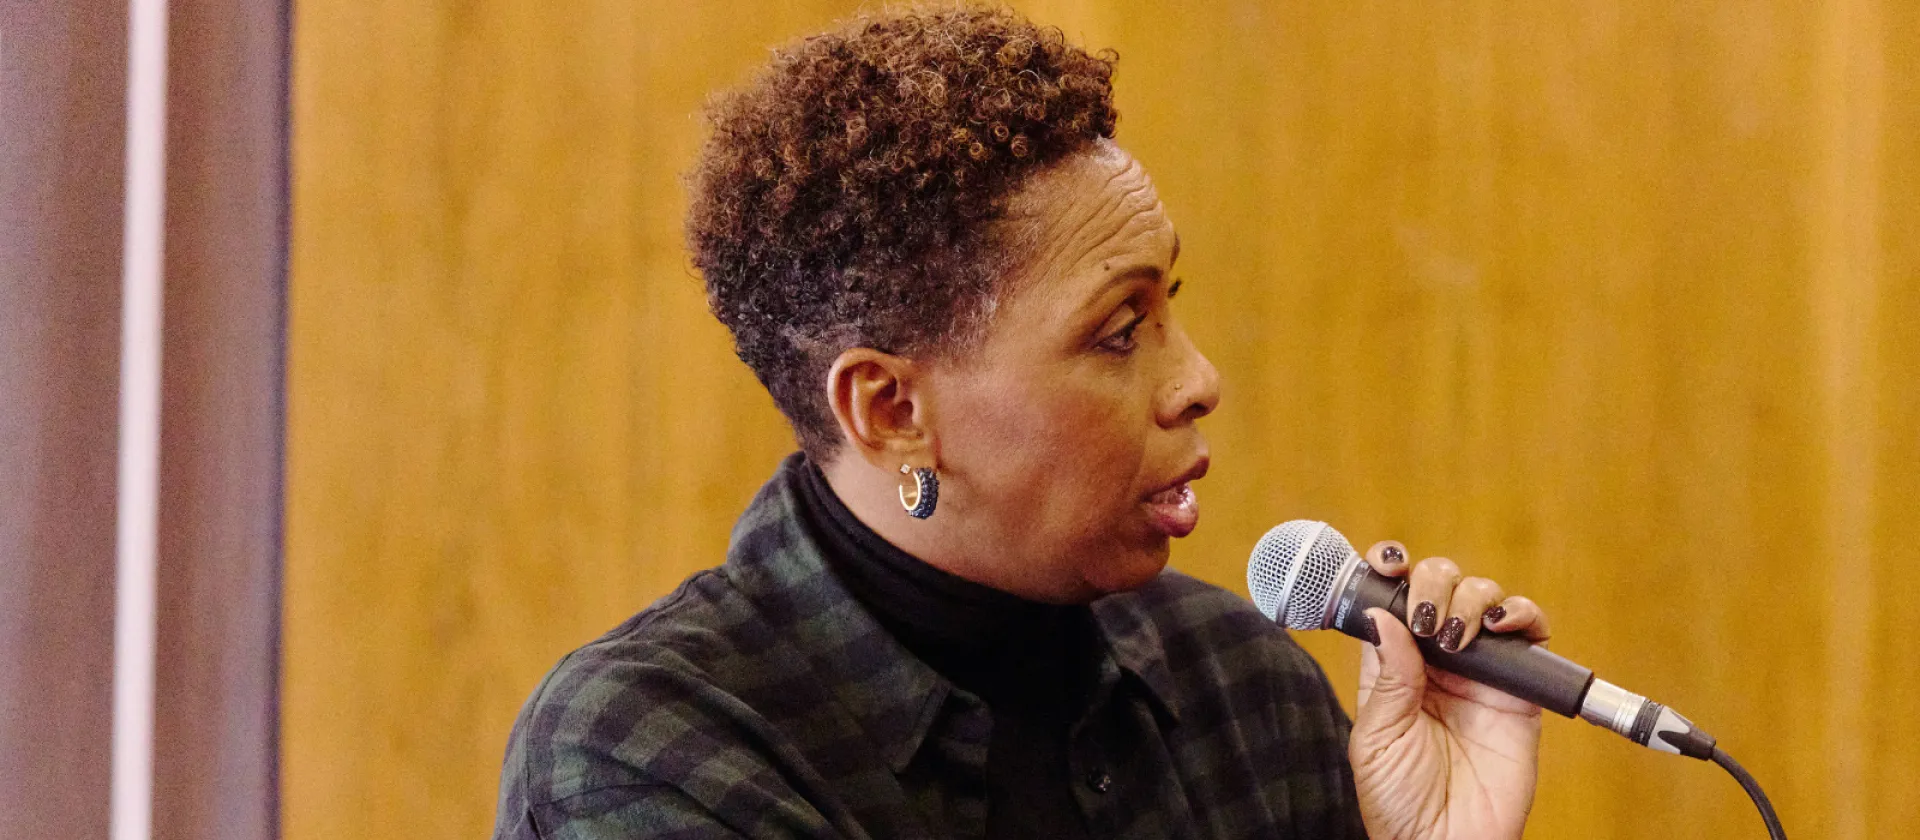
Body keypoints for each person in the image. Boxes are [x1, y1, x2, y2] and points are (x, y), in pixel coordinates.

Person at [494, 7, 1551, 838]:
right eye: (1119, 332)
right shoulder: (651, 749)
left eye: (1171, 305)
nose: (1199, 381)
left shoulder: (1241, 680)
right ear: (892, 411)